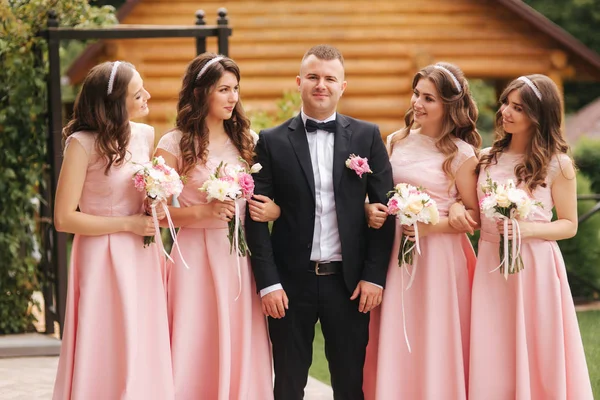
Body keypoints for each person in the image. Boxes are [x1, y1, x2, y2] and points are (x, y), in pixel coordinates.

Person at [245, 44, 395, 400]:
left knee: (348, 384)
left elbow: (388, 208)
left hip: (349, 284)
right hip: (289, 285)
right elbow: (255, 216)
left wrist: (374, 276)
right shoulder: (271, 141)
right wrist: (268, 284)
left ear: (343, 86)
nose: (320, 85)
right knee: (287, 383)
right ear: (299, 82)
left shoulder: (367, 136)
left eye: (330, 78)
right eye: (313, 77)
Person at [154, 53, 276, 400]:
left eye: (235, 88)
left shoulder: (248, 141)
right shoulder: (173, 144)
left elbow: (270, 200)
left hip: (239, 257)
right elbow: (154, 213)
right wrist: (199, 215)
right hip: (192, 258)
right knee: (195, 335)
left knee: (238, 335)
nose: (232, 97)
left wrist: (275, 211)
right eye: (223, 89)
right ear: (200, 92)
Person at [52, 61, 174, 399]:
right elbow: (64, 218)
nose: (147, 95)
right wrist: (127, 224)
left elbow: (139, 192)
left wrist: (155, 201)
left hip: (142, 254)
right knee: (105, 338)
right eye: (138, 93)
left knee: (142, 335)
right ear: (115, 104)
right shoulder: (81, 143)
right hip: (100, 255)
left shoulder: (145, 134)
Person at [467, 74, 593, 399]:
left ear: (538, 115)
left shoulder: (558, 165)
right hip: (491, 265)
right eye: (506, 103)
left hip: (536, 267)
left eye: (518, 107)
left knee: (539, 343)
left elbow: (568, 224)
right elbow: (471, 212)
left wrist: (528, 230)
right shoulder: (484, 158)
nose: (506, 111)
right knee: (493, 342)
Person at [363, 62, 481, 399]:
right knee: (398, 331)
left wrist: (435, 226)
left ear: (449, 106)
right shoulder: (395, 141)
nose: (417, 103)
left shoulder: (462, 155)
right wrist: (370, 209)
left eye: (428, 98)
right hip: (394, 254)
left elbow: (475, 216)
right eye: (416, 94)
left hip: (440, 261)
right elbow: (379, 195)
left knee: (434, 334)